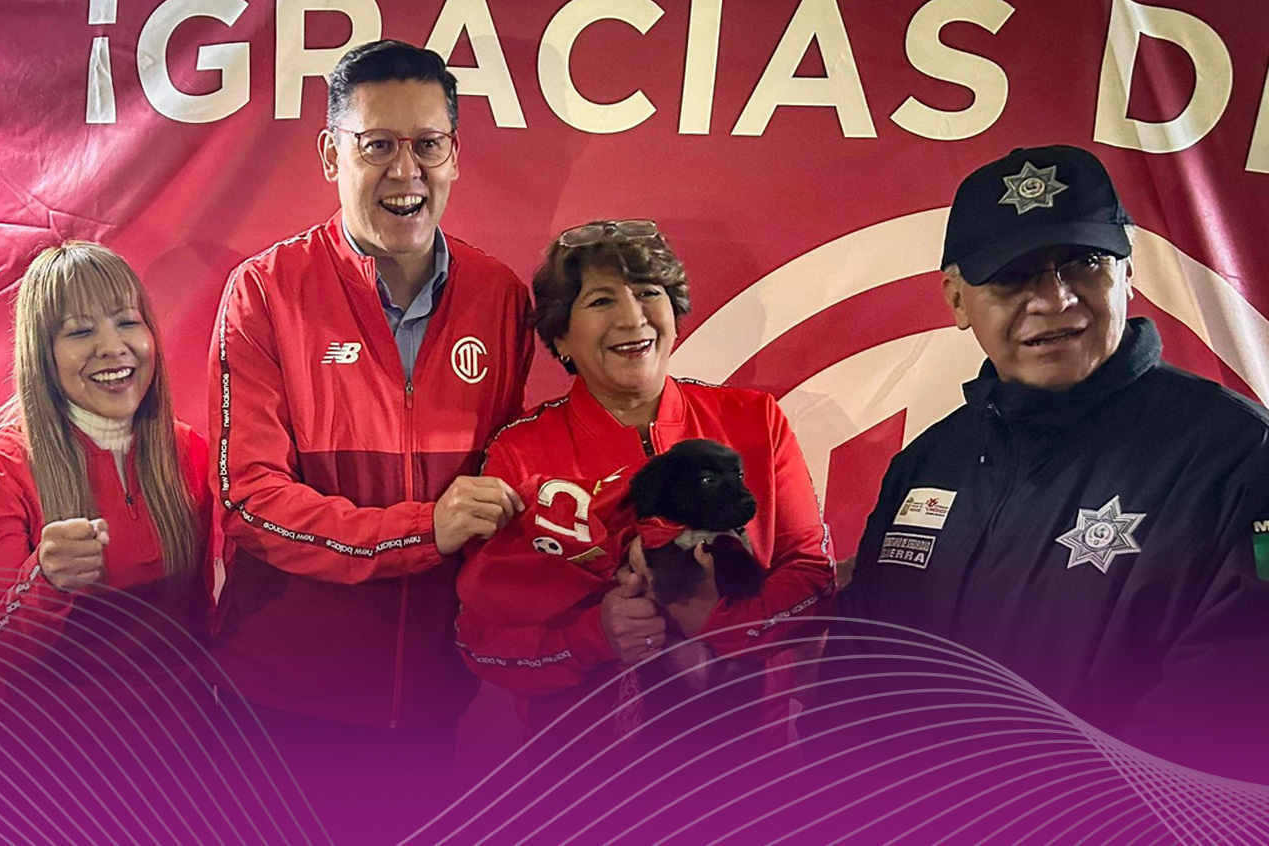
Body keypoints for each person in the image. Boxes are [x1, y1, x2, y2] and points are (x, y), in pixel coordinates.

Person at [815, 145, 1269, 779]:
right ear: (956, 300)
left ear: (1127, 272)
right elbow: (853, 681)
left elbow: (1227, 714)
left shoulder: (1240, 457)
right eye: (1014, 275)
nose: (1054, 300)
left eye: (1085, 262)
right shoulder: (927, 463)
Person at [207, 40, 532, 833]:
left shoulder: (500, 295)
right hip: (279, 705)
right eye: (377, 144)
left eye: (427, 144)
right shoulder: (265, 292)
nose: (405, 171)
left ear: (454, 154)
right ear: (332, 155)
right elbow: (250, 500)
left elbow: (511, 477)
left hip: (431, 707)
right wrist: (422, 531)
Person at [455, 220, 835, 760]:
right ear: (561, 337)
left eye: (648, 292)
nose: (633, 318)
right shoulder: (520, 452)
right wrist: (596, 635)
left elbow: (811, 574)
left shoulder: (755, 420)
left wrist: (719, 622)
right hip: (583, 778)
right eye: (601, 300)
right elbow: (482, 638)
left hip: (748, 762)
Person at [0, 242, 215, 838]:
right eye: (80, 330)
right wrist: (47, 580)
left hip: (183, 766)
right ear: (43, 354)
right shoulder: (3, 468)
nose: (113, 346)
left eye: (126, 321)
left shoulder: (187, 450)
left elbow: (201, 621)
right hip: (51, 783)